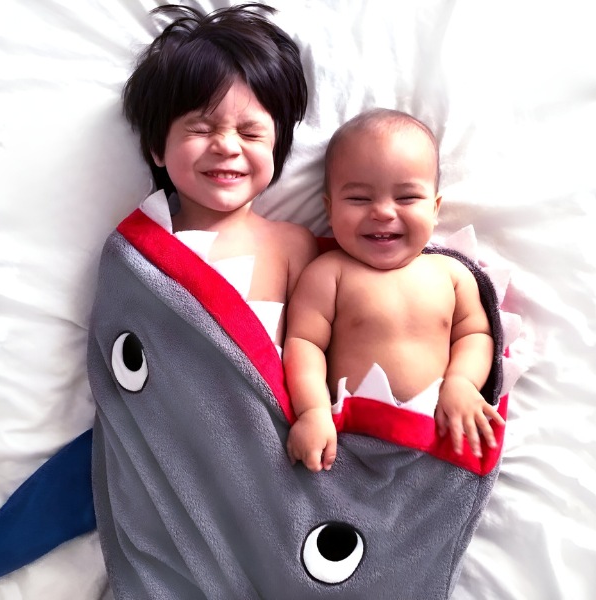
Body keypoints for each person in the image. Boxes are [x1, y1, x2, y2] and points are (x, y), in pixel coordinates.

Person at [284, 108, 505, 472]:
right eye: (359, 198)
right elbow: (304, 345)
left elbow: (476, 335)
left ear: (434, 208)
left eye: (406, 198)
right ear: (330, 209)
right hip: (351, 442)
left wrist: (463, 382)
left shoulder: (452, 274)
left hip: (441, 439)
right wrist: (313, 411)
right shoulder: (328, 274)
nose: (383, 212)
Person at [122, 3, 318, 346]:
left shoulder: (293, 247)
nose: (227, 146)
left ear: (277, 148)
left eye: (250, 133)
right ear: (157, 147)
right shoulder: (136, 251)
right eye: (201, 129)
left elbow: (323, 348)